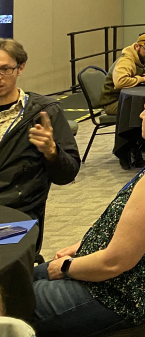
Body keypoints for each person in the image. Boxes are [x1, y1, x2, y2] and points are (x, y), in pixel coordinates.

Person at [31, 81, 145, 337]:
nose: (141, 115)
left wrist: (66, 267)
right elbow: (137, 230)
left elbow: (115, 262)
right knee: (14, 278)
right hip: (113, 282)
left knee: (8, 299)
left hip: (113, 296)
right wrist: (83, 244)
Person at [0, 40, 79, 251]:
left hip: (17, 217)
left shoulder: (44, 112)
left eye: (5, 69)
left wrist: (52, 152)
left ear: (20, 68)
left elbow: (68, 173)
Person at [100, 34, 145, 116]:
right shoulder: (126, 61)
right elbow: (120, 82)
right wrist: (142, 79)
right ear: (137, 46)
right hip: (113, 102)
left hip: (129, 99)